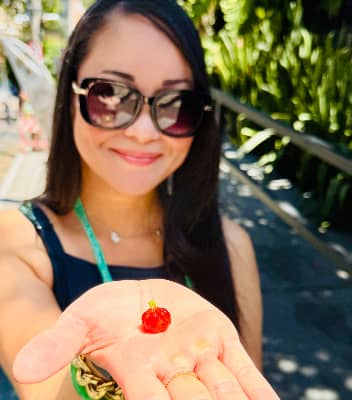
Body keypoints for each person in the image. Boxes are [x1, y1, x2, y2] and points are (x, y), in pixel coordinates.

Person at [0, 0, 279, 399]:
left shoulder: (232, 246)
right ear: (71, 94)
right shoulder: (14, 242)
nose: (144, 131)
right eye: (110, 95)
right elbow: (44, 388)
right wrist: (94, 370)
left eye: (175, 103)